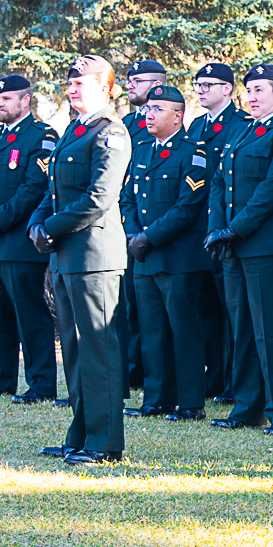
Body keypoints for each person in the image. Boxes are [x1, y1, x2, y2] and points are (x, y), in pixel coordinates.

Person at [30, 55, 132, 465]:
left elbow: (98, 197)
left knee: (99, 350)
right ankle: (80, 435)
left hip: (95, 255)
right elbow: (52, 190)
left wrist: (50, 228)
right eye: (70, 84)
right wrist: (37, 224)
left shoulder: (112, 133)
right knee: (73, 349)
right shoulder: (73, 130)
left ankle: (105, 442)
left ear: (106, 89)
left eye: (81, 84)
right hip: (67, 255)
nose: (72, 90)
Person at [205, 64, 273, 436]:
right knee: (243, 328)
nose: (253, 97)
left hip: (266, 245)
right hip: (233, 245)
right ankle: (249, 406)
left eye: (261, 90)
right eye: (249, 90)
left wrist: (236, 228)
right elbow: (218, 182)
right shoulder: (242, 130)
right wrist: (219, 228)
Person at [0, 75, 59, 403]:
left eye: (7, 99)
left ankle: (41, 385)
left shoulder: (42, 136)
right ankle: (1, 379)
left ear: (25, 100)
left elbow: (34, 188)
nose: (0, 104)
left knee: (29, 316)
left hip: (19, 244)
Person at [120, 85, 212, 422]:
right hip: (143, 255)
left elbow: (187, 207)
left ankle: (190, 402)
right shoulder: (141, 150)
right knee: (152, 329)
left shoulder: (193, 152)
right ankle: (156, 399)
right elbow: (128, 196)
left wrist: (149, 236)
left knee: (183, 329)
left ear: (178, 115)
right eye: (147, 108)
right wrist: (132, 232)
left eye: (157, 109)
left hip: (177, 257)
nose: (149, 114)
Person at [188, 62, 247, 405]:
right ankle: (213, 378)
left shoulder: (239, 125)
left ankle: (231, 381)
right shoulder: (196, 125)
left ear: (227, 89)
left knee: (231, 311)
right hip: (199, 229)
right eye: (198, 84)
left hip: (225, 230)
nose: (201, 90)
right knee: (208, 309)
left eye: (208, 85)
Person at [119, 60, 165, 390]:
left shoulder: (167, 124)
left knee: (145, 309)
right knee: (127, 304)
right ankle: (132, 369)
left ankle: (148, 372)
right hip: (123, 222)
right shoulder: (123, 123)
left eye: (139, 80)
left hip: (149, 230)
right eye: (129, 80)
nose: (131, 85)